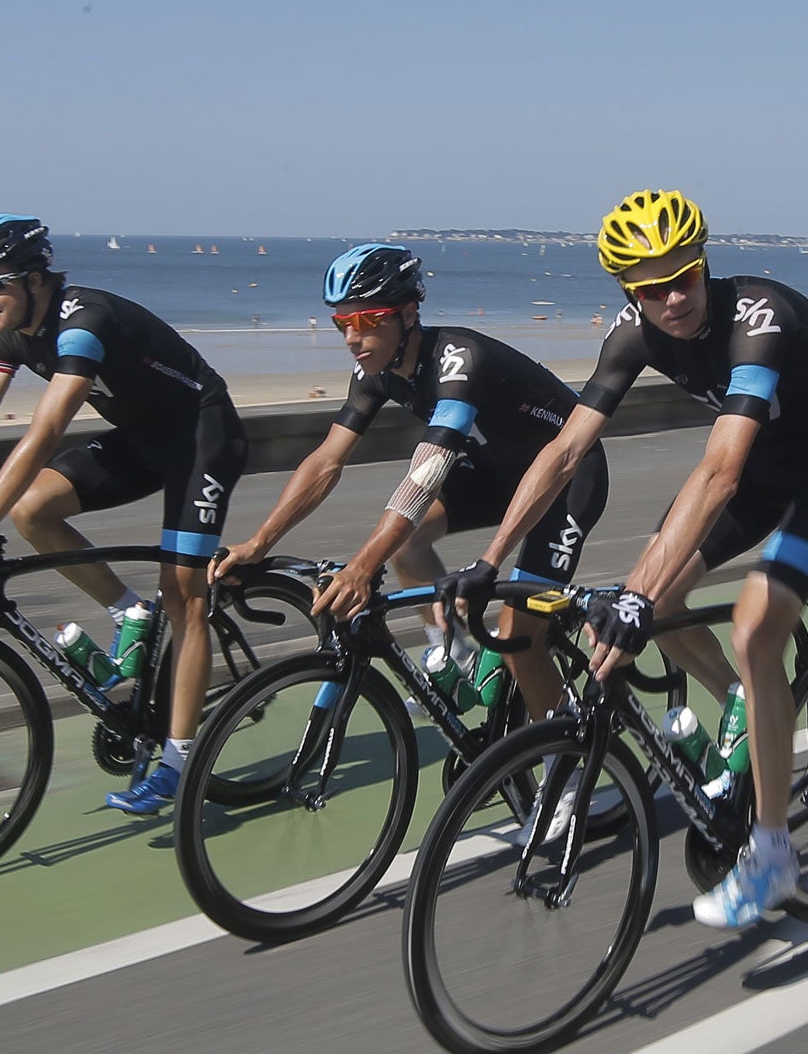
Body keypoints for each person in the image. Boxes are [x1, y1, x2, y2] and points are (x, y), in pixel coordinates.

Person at [451, 189, 808, 930]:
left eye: (683, 275)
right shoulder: (632, 333)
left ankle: (773, 854)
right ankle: (745, 701)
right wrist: (491, 559)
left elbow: (719, 472)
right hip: (760, 463)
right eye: (650, 287)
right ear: (627, 291)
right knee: (657, 591)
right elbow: (564, 450)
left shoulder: (758, 320)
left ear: (704, 262)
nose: (672, 297)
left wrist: (638, 596)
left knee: (751, 626)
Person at [0, 214, 249, 813]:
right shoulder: (8, 334)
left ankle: (177, 764)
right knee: (34, 510)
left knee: (185, 593)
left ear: (36, 280)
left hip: (203, 439)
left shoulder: (83, 323)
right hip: (142, 438)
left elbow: (45, 429)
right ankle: (128, 611)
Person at [209, 243, 608, 725]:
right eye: (343, 323)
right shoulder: (374, 372)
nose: (353, 337)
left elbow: (426, 472)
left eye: (368, 320)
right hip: (495, 473)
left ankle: (563, 771)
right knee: (407, 546)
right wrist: (258, 542)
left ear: (408, 312)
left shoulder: (460, 363)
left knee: (519, 637)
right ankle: (455, 654)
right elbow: (326, 461)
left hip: (568, 476)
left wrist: (359, 568)